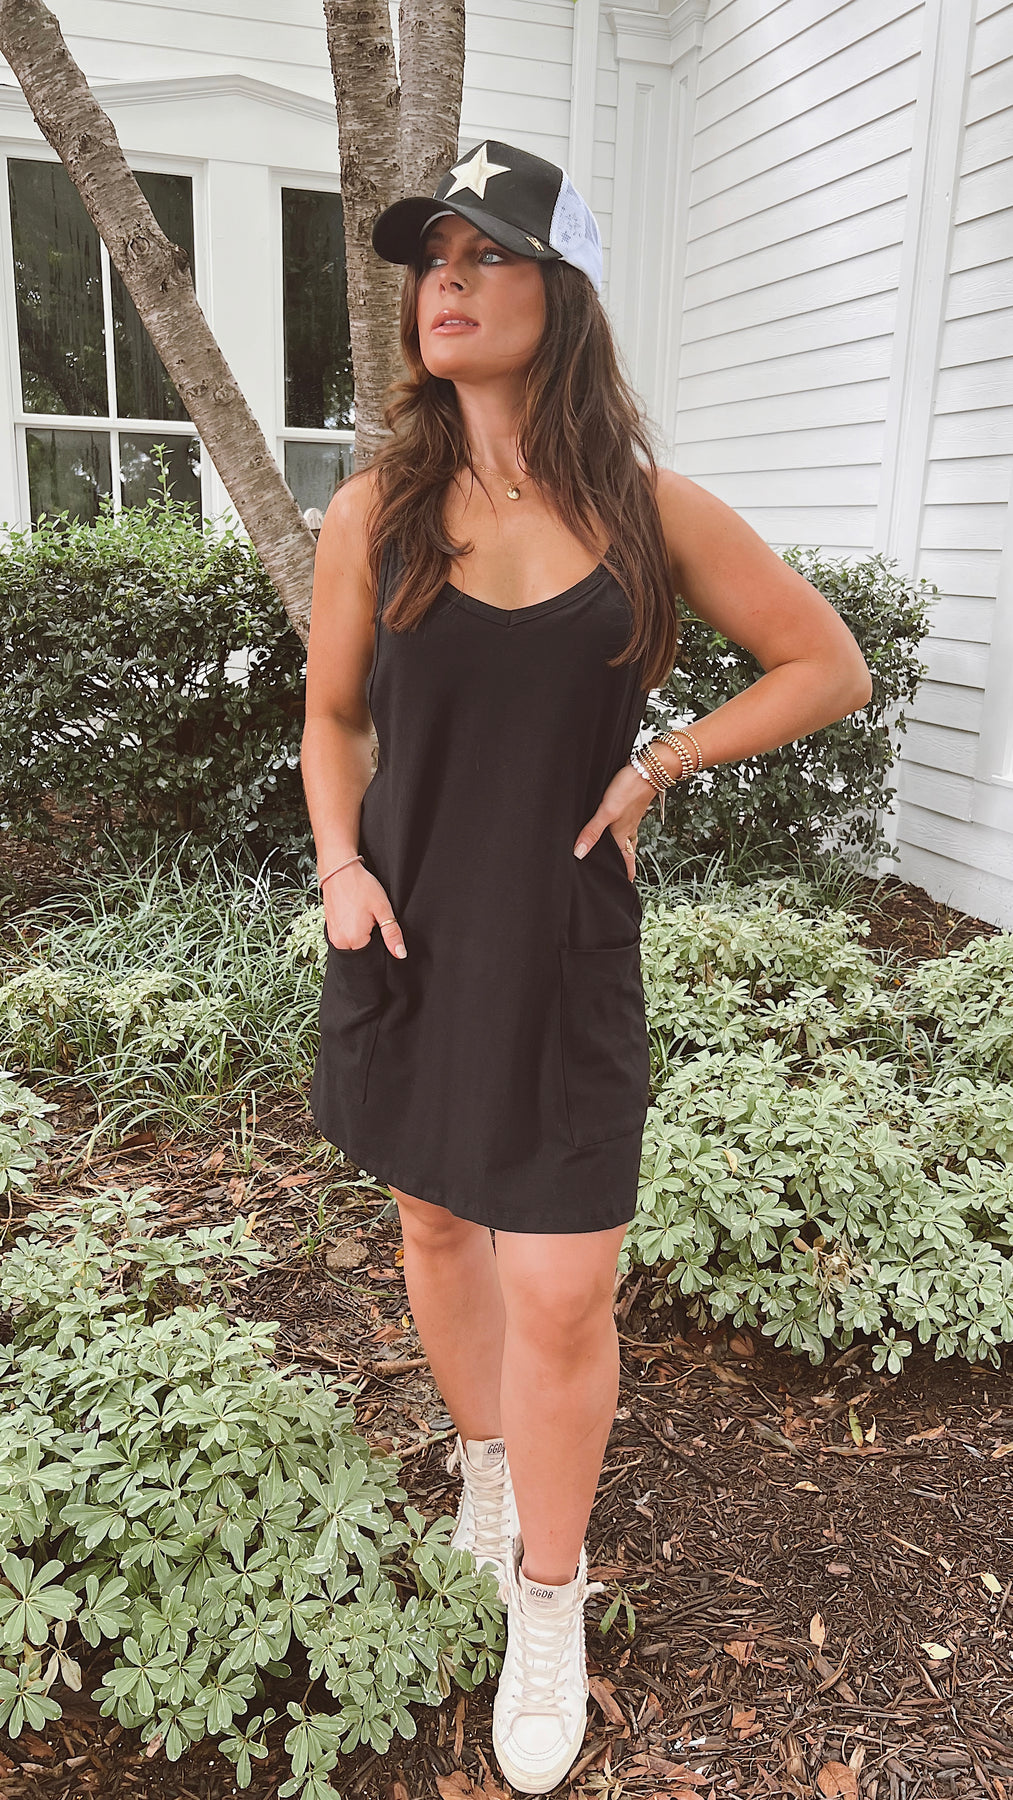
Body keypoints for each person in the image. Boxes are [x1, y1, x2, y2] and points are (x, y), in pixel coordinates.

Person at [300, 138, 872, 1794]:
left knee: (559, 1293)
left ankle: (545, 1601)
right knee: (432, 1224)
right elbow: (332, 718)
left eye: (485, 254)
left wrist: (660, 763)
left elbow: (822, 663)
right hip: (406, 935)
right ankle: (486, 1463)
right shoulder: (374, 512)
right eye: (431, 259)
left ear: (565, 294)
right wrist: (340, 867)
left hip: (562, 954)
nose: (446, 283)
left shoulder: (645, 509)